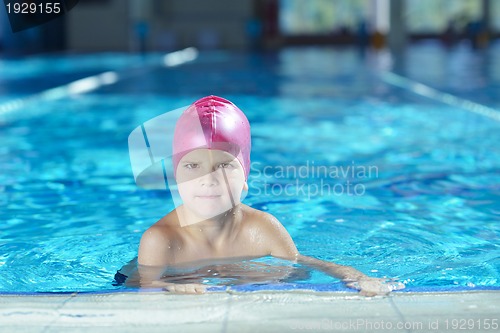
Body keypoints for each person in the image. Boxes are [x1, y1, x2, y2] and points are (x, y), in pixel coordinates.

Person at [123, 95, 404, 296]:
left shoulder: (263, 228)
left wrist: (354, 275)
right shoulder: (161, 239)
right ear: (175, 178)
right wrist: (170, 288)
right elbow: (142, 286)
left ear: (245, 177)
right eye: (192, 166)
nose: (208, 180)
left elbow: (302, 266)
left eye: (224, 166)